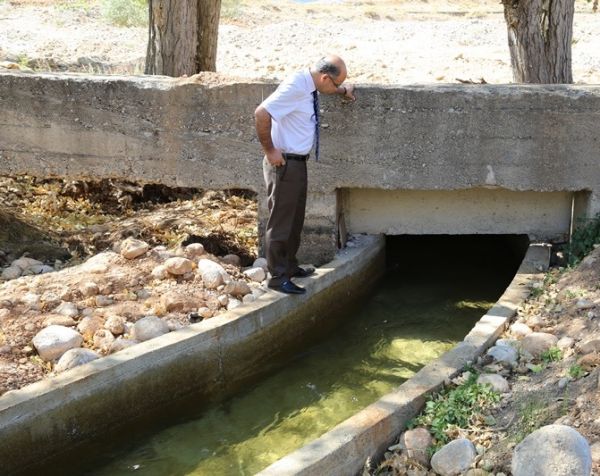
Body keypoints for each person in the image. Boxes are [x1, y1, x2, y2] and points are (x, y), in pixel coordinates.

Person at [254, 55, 356, 294]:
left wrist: (342, 90)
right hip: (284, 163)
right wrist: (270, 151)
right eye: (334, 83)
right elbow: (261, 113)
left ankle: (289, 266)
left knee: (295, 218)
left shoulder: (310, 84)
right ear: (323, 77)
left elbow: (328, 89)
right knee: (281, 222)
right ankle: (278, 277)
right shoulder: (295, 86)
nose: (334, 87)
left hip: (297, 162)